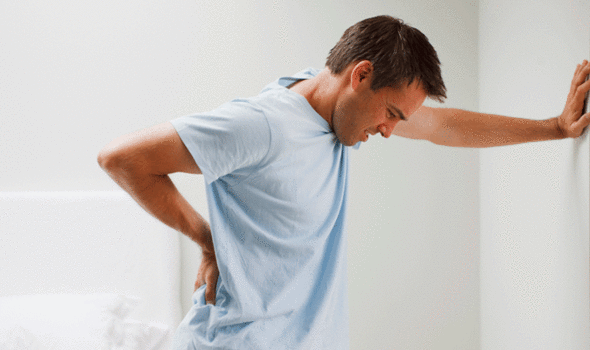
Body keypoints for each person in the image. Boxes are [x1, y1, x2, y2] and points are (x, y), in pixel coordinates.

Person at [98, 15, 590, 350]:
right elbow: (122, 158)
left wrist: (553, 127)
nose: (391, 130)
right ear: (361, 74)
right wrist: (205, 238)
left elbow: (446, 126)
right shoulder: (261, 125)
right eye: (392, 114)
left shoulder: (334, 106)